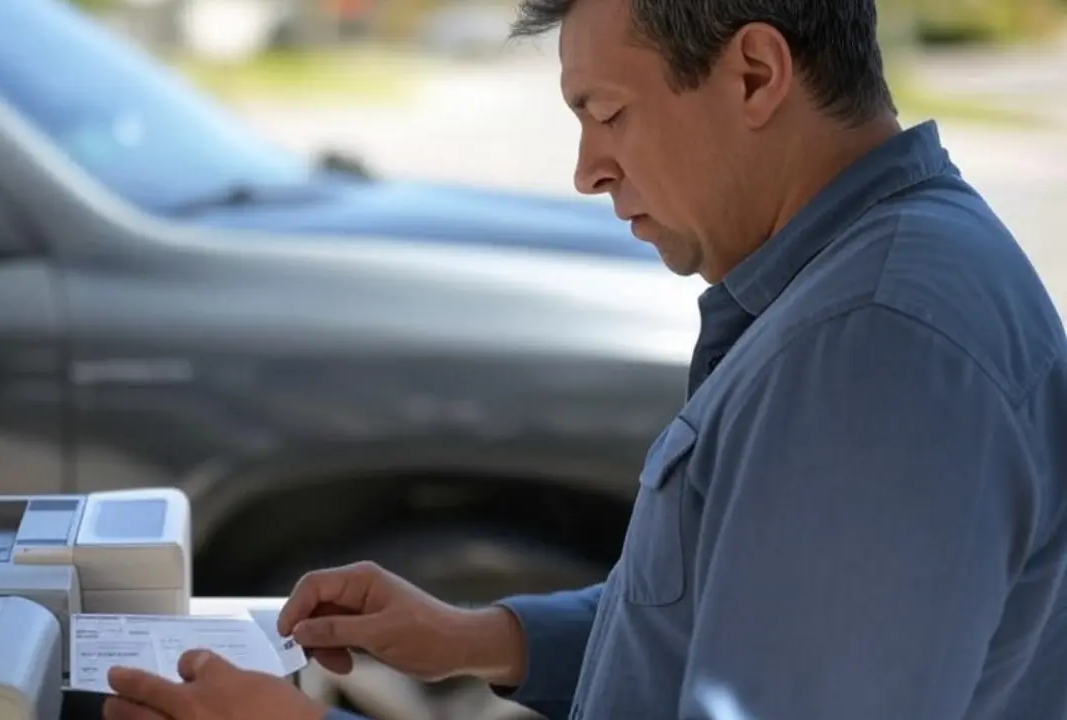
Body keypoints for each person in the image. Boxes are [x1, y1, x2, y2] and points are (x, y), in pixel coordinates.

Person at [101, 0, 1067, 717]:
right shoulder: (867, 279)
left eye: (607, 112)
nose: (586, 169)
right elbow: (727, 614)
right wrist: (482, 638)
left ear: (757, 75)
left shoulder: (872, 349)